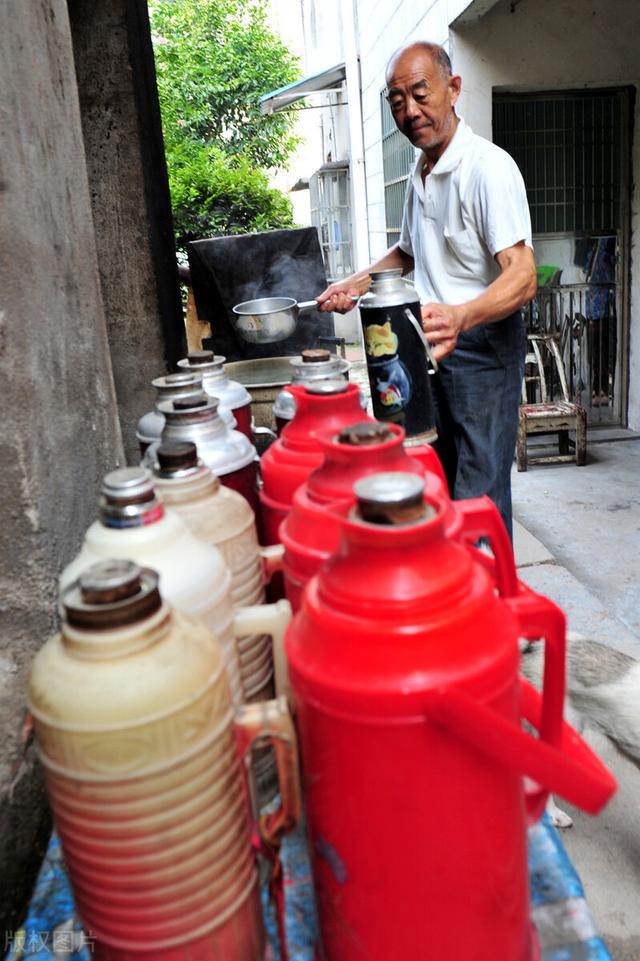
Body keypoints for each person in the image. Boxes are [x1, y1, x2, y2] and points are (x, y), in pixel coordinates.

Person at [317, 41, 536, 539]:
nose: (410, 111)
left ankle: (485, 599)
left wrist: (462, 317)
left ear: (453, 89)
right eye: (397, 101)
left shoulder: (487, 168)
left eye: (420, 94)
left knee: (478, 490)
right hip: (429, 342)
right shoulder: (421, 171)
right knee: (437, 473)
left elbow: (522, 275)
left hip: (481, 346)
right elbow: (406, 254)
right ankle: (452, 588)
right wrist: (352, 283)